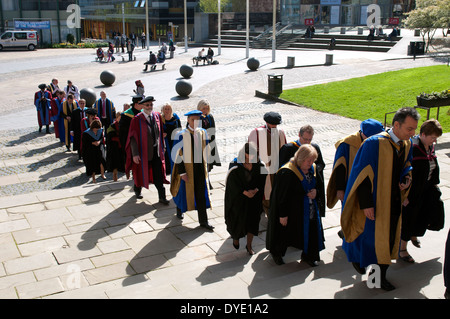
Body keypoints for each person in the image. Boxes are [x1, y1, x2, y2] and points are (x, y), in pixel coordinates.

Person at [341, 107, 419, 291]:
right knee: (374, 242)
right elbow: (361, 177)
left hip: (394, 202)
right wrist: (366, 204)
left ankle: (378, 276)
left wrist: (406, 180)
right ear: (397, 125)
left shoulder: (406, 145)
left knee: (389, 239)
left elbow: (407, 167)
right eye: (409, 129)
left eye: (414, 128)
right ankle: (375, 279)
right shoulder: (373, 144)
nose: (413, 133)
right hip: (376, 202)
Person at [266, 144, 325, 266]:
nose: (311, 163)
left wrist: (316, 193)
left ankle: (308, 256)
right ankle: (277, 254)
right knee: (284, 234)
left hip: (308, 210)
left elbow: (319, 186)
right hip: (291, 211)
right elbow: (282, 196)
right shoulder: (287, 172)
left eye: (312, 160)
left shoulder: (312, 169)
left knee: (310, 233)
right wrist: (283, 214)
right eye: (308, 160)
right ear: (301, 159)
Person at [400, 119, 444, 263]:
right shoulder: (412, 148)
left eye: (436, 138)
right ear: (423, 134)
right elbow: (403, 171)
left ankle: (414, 234)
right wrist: (403, 195)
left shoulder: (429, 147)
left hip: (426, 190)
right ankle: (402, 249)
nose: (434, 141)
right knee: (408, 219)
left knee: (423, 215)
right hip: (412, 193)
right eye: (432, 138)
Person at [170, 110, 214, 231]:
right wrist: (182, 172)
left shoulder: (203, 132)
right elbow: (177, 155)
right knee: (182, 192)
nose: (195, 122)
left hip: (200, 169)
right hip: (186, 170)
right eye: (193, 120)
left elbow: (207, 149)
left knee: (201, 194)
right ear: (188, 120)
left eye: (197, 120)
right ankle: (179, 209)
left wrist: (208, 164)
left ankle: (203, 221)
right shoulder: (181, 135)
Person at [125, 96, 170, 203]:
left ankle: (162, 197)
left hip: (156, 151)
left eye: (151, 105)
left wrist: (162, 146)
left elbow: (160, 132)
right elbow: (133, 138)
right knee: (140, 172)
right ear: (142, 106)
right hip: (142, 153)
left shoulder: (157, 116)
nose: (149, 107)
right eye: (147, 105)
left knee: (158, 174)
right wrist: (135, 154)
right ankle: (137, 189)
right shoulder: (136, 119)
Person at [225, 142, 267, 255]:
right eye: (248, 157)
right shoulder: (235, 165)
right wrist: (244, 192)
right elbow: (232, 184)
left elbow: (263, 180)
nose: (251, 160)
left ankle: (249, 245)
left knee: (252, 222)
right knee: (237, 221)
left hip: (254, 198)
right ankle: (236, 238)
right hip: (238, 199)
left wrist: (256, 190)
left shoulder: (260, 165)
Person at [279, 125, 325, 217]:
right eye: (305, 139)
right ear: (299, 135)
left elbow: (321, 164)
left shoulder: (314, 147)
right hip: (295, 188)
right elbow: (282, 168)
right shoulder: (288, 148)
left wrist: (312, 168)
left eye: (310, 140)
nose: (307, 142)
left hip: (310, 185)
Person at [248, 112, 287, 216]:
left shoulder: (281, 132)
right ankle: (266, 210)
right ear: (266, 122)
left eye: (276, 124)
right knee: (264, 191)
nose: (274, 126)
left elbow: (285, 150)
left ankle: (273, 210)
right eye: (272, 124)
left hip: (277, 167)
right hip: (262, 169)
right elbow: (250, 152)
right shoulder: (256, 133)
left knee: (275, 190)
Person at [197, 100, 221, 184]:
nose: (205, 110)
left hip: (210, 143)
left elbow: (213, 129)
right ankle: (205, 181)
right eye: (203, 108)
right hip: (200, 145)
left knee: (209, 163)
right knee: (202, 163)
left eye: (207, 108)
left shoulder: (210, 117)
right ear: (200, 108)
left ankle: (207, 180)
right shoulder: (196, 117)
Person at [82, 119, 106, 183]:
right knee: (93, 163)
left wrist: (99, 141)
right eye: (96, 129)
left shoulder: (100, 130)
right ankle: (93, 178)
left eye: (98, 129)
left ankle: (102, 174)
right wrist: (92, 143)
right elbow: (84, 143)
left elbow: (101, 138)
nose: (96, 130)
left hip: (99, 148)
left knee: (102, 160)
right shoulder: (86, 133)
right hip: (91, 150)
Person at [161, 102, 182, 175]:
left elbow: (180, 127)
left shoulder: (175, 117)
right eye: (165, 109)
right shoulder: (161, 119)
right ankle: (168, 170)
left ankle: (177, 168)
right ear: (162, 110)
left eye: (168, 109)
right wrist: (162, 134)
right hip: (166, 140)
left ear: (171, 110)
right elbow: (158, 130)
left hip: (175, 139)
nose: (167, 110)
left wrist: (179, 132)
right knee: (167, 155)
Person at [106, 112, 125, 181]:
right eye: (119, 118)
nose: (121, 119)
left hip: (122, 146)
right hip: (115, 147)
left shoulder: (124, 125)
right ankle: (115, 175)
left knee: (124, 161)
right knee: (115, 163)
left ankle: (127, 174)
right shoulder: (112, 126)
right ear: (116, 118)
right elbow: (109, 137)